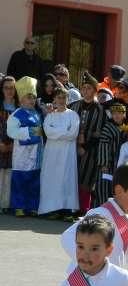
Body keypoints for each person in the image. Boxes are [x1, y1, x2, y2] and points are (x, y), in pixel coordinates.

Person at [38, 86, 79, 218]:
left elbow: (73, 133)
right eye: (59, 97)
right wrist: (64, 131)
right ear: (54, 99)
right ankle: (51, 209)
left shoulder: (73, 115)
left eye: (64, 97)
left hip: (67, 154)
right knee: (52, 179)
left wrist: (57, 132)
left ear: (67, 99)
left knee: (66, 179)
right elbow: (48, 133)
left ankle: (66, 209)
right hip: (52, 155)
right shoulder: (50, 116)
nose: (61, 100)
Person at [70, 71, 106, 214]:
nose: (86, 91)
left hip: (90, 150)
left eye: (89, 88)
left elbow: (99, 133)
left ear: (95, 90)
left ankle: (83, 208)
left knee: (86, 178)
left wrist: (84, 147)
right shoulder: (74, 106)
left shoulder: (100, 110)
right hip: (72, 147)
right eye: (83, 88)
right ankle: (69, 207)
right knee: (72, 176)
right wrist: (77, 145)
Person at [7, 76, 43, 217]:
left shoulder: (36, 114)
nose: (32, 100)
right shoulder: (16, 114)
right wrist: (30, 132)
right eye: (29, 97)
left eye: (33, 97)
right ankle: (19, 206)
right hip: (22, 153)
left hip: (35, 153)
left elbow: (40, 131)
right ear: (21, 99)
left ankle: (32, 206)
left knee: (34, 180)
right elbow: (11, 132)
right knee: (20, 180)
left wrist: (37, 135)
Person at [96, 102, 127, 206]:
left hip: (120, 165)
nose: (117, 115)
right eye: (114, 113)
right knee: (104, 189)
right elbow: (103, 145)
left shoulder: (126, 129)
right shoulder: (107, 128)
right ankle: (102, 212)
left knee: (117, 190)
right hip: (108, 166)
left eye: (120, 113)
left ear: (124, 115)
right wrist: (104, 163)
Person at [0, 75, 18, 212]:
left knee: (10, 176)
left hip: (15, 147)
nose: (9, 91)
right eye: (6, 88)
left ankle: (6, 205)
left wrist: (14, 144)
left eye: (12, 88)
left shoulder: (19, 107)